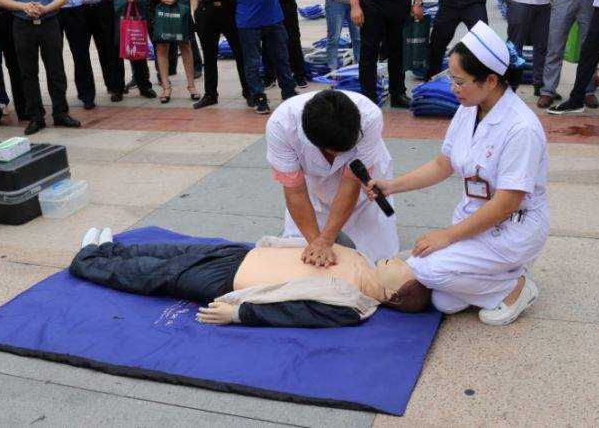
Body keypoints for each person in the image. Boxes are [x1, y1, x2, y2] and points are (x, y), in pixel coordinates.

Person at [365, 22, 548, 325]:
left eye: (460, 81)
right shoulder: (469, 109)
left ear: (491, 80)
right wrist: (391, 186)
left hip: (513, 228)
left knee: (426, 270)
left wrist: (446, 237)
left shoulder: (521, 129)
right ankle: (501, 275)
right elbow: (443, 164)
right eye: (451, 78)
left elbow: (506, 203)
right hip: (474, 218)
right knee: (443, 300)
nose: (453, 88)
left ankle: (515, 286)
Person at [69, 227, 432, 327]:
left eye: (403, 271)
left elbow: (295, 314)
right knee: (168, 251)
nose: (400, 262)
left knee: (153, 273)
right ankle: (110, 249)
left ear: (394, 296)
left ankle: (87, 260)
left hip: (229, 283)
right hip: (243, 254)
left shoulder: (351, 305)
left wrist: (240, 314)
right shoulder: (359, 255)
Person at [267, 89, 399, 265]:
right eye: (331, 153)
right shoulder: (281, 126)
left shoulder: (370, 117)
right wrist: (316, 243)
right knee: (298, 256)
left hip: (361, 179)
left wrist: (326, 239)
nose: (336, 159)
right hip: (312, 179)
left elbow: (350, 184)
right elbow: (295, 192)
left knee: (379, 260)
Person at [0, 0, 82, 136]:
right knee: (28, 72)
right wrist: (23, 6)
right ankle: (36, 116)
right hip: (22, 26)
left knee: (56, 70)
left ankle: (61, 112)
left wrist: (46, 8)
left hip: (50, 23)